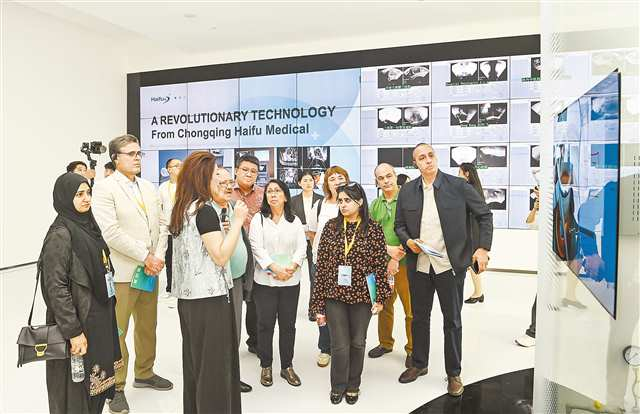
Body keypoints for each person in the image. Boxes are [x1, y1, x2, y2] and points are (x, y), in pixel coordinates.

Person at [395, 143, 493, 397]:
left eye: (430, 155)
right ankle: (419, 363)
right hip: (419, 266)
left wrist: (482, 248)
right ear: (415, 163)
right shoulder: (406, 191)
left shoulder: (458, 186)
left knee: (452, 321)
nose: (427, 160)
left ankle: (454, 373)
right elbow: (399, 225)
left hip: (450, 267)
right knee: (419, 318)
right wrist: (408, 241)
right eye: (421, 158)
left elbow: (485, 215)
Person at [92, 134, 171, 414]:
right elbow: (110, 232)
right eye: (131, 154)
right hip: (124, 273)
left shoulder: (149, 187)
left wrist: (158, 257)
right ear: (116, 158)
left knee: (148, 325)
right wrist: (145, 256)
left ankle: (145, 372)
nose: (137, 158)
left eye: (139, 153)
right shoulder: (104, 188)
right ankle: (117, 387)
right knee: (119, 331)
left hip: (150, 270)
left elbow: (163, 224)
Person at [169, 151, 247, 413]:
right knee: (214, 369)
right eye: (216, 174)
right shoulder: (204, 212)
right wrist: (237, 221)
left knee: (196, 366)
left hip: (189, 302)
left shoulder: (182, 209)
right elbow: (221, 256)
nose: (223, 181)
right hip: (211, 301)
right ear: (202, 177)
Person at [40, 172, 122, 414]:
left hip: (98, 320)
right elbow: (55, 289)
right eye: (79, 194)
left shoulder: (89, 227)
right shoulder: (60, 234)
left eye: (88, 192)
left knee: (96, 387)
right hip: (79, 325)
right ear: (65, 197)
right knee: (76, 391)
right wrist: (73, 331)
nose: (87, 199)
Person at [310, 181, 391, 405]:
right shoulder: (331, 227)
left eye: (348, 200)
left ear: (360, 202)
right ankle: (337, 385)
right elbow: (323, 266)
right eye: (341, 200)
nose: (343, 205)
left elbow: (378, 265)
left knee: (357, 342)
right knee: (339, 344)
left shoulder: (373, 229)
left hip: (362, 296)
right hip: (334, 295)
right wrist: (318, 304)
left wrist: (380, 297)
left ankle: (353, 384)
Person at [249, 179, 307, 388]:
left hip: (291, 281)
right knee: (265, 325)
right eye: (269, 191)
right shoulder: (259, 219)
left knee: (288, 325)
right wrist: (274, 268)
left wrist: (290, 267)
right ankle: (266, 365)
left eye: (277, 191)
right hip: (265, 281)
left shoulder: (295, 220)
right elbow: (256, 247)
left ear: (285, 196)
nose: (273, 194)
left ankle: (287, 366)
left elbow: (302, 247)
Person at [211, 167, 255, 393]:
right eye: (222, 182)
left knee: (234, 331)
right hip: (217, 285)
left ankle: (231, 376)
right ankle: (220, 379)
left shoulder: (229, 207)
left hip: (235, 281)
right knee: (220, 335)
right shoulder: (205, 211)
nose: (229, 186)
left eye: (230, 182)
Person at [367, 163, 413, 369]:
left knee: (410, 310)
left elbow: (413, 230)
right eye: (380, 178)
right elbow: (369, 234)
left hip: (406, 264)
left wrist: (396, 258)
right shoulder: (375, 205)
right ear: (376, 181)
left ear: (395, 176)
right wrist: (387, 253)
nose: (385, 181)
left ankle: (413, 349)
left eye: (388, 176)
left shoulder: (408, 200)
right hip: (381, 265)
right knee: (384, 306)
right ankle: (385, 343)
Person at [311, 165, 349, 367]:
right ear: (326, 183)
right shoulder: (320, 204)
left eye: (340, 177)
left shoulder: (353, 203)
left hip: (346, 266)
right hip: (321, 264)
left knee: (344, 306)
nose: (337, 181)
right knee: (322, 306)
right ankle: (325, 347)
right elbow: (311, 233)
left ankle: (343, 345)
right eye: (332, 178)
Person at [231, 153, 264, 355]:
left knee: (256, 300)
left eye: (253, 171)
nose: (249, 174)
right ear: (236, 170)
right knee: (233, 300)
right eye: (245, 169)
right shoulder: (226, 190)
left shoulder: (263, 193)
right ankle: (230, 343)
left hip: (257, 253)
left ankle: (255, 341)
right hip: (232, 252)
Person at [289, 169, 323, 320]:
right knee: (292, 273)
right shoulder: (293, 200)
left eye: (310, 180)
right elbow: (290, 221)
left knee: (314, 276)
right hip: (297, 241)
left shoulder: (322, 199)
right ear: (299, 183)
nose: (308, 183)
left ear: (314, 182)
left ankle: (313, 309)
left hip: (316, 242)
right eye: (305, 180)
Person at [458, 162, 486, 304]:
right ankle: (478, 292)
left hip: (471, 231)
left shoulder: (467, 189)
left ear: (467, 173)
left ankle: (478, 293)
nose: (458, 175)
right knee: (471, 263)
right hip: (474, 230)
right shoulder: (476, 188)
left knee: (471, 263)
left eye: (460, 172)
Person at [515, 185, 539, 348]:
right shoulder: (541, 206)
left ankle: (534, 332)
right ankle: (535, 331)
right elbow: (529, 223)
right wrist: (536, 207)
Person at [159, 157, 182, 304]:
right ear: (169, 169)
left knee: (182, 259)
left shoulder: (187, 185)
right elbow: (159, 208)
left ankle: (182, 287)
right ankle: (169, 288)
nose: (180, 167)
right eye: (177, 165)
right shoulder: (162, 187)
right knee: (170, 259)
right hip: (168, 229)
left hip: (184, 229)